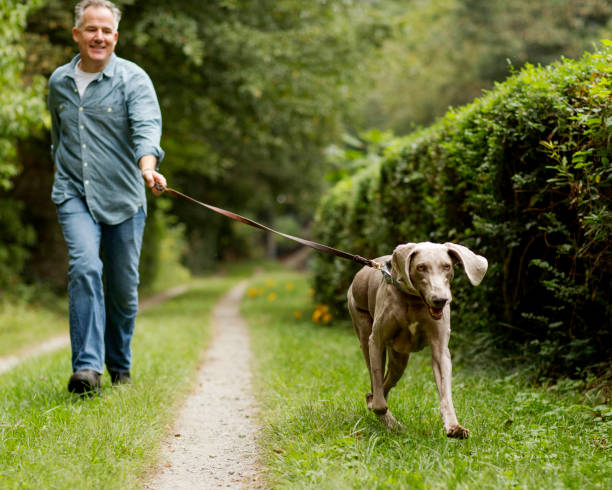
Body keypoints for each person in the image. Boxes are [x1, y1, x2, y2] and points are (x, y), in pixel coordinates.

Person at [48, 0, 166, 395]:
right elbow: (59, 138)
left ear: (115, 37)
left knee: (122, 289)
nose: (98, 36)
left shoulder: (133, 79)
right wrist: (59, 174)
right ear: (77, 34)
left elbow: (146, 128)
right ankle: (87, 369)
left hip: (123, 197)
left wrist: (147, 166)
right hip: (74, 192)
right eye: (90, 29)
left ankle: (120, 368)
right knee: (84, 268)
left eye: (106, 30)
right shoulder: (59, 82)